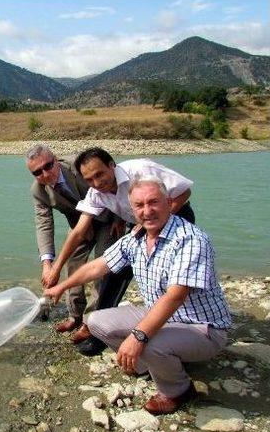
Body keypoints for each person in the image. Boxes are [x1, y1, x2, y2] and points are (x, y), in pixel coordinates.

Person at [45, 176, 231, 415]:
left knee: (147, 341)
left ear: (169, 202)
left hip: (202, 328)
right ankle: (145, 365)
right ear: (131, 210)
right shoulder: (136, 238)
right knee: (95, 321)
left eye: (153, 202)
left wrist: (138, 337)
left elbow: (175, 296)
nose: (147, 211)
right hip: (160, 316)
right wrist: (61, 286)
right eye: (139, 206)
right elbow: (98, 266)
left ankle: (179, 391)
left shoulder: (190, 239)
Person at [48, 147, 195, 355]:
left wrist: (153, 222)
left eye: (100, 174)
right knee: (114, 274)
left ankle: (180, 329)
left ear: (112, 165)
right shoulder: (96, 193)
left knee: (168, 281)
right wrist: (56, 267)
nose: (97, 183)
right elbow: (79, 231)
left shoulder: (142, 170)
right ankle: (98, 333)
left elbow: (184, 191)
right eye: (89, 179)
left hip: (175, 219)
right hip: (139, 226)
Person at [26, 144, 116, 342]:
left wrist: (120, 218)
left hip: (108, 219)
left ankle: (90, 322)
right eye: (37, 172)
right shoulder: (38, 191)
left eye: (48, 166)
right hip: (78, 225)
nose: (45, 173)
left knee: (100, 267)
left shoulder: (79, 166)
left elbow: (111, 184)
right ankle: (75, 315)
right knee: (73, 266)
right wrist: (47, 265)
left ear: (56, 160)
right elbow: (43, 225)